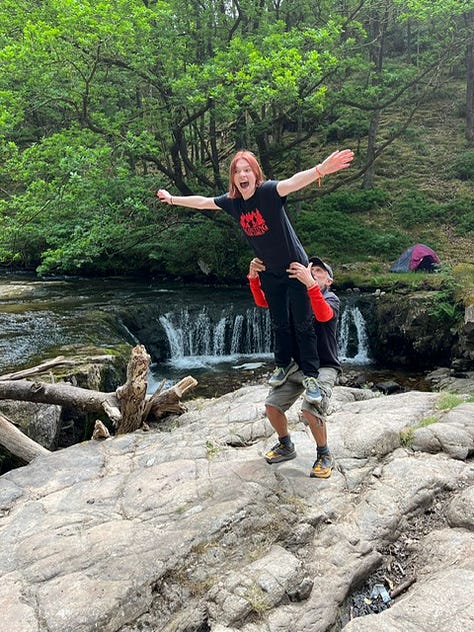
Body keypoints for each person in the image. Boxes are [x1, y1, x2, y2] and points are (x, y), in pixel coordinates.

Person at [157, 148, 353, 404]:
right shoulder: (233, 202)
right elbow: (203, 202)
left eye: (247, 169)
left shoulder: (268, 193)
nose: (242, 174)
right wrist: (173, 199)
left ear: (255, 173)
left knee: (303, 325)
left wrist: (321, 169)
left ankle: (312, 376)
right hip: (271, 273)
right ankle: (283, 365)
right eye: (237, 171)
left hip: (296, 270)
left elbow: (294, 182)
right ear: (233, 177)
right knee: (279, 323)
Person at [248, 255, 341, 478]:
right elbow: (264, 302)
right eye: (309, 269)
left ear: (329, 280)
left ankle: (324, 454)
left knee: (310, 409)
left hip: (324, 365)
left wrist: (309, 284)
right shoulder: (294, 297)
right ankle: (286, 445)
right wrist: (253, 277)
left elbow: (323, 315)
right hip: (297, 365)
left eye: (318, 271)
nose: (312, 272)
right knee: (272, 406)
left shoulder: (331, 298)